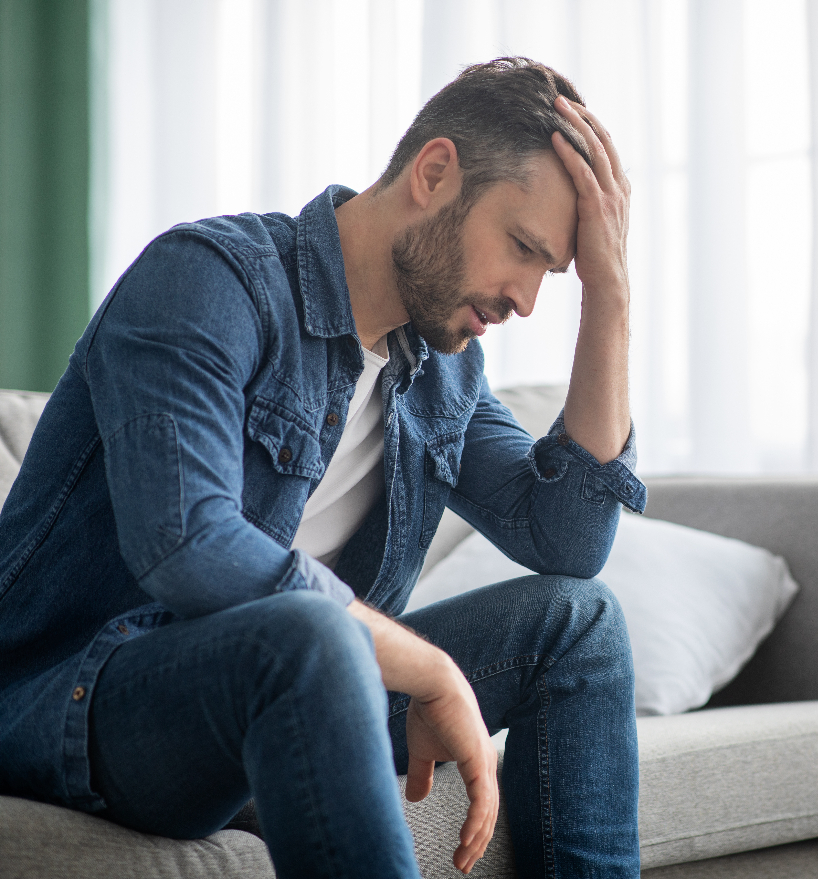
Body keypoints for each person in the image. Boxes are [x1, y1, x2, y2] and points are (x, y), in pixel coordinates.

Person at [0, 57, 644, 879]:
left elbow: (572, 539)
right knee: (311, 632)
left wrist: (612, 297)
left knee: (581, 623)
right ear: (434, 171)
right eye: (523, 247)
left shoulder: (441, 372)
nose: (526, 299)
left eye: (553, 272)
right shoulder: (208, 279)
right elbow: (187, 543)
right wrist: (423, 665)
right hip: (83, 700)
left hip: (304, 693)